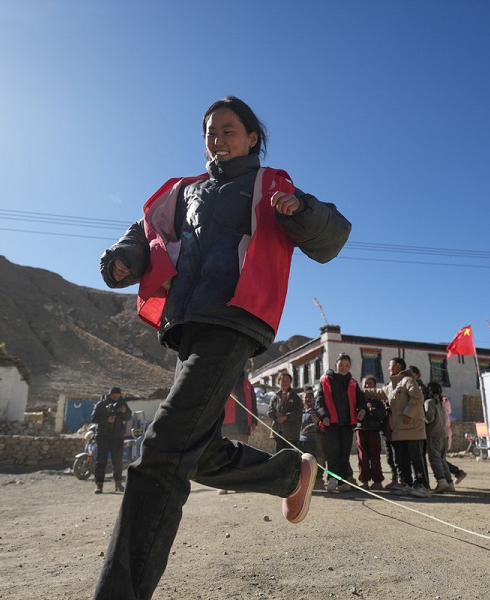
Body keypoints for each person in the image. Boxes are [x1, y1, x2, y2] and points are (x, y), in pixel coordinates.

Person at [95, 96, 351, 599]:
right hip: (189, 326)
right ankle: (287, 472)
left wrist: (300, 211)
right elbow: (145, 233)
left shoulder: (269, 183)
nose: (218, 138)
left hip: (235, 319)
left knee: (162, 453)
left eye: (229, 129)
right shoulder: (183, 192)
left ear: (252, 136)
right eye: (210, 131)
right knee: (197, 448)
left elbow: (332, 236)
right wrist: (123, 260)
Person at [364, 358, 430, 498]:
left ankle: (422, 486)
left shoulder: (408, 381)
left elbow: (418, 398)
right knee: (403, 459)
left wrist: (408, 415)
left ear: (398, 366)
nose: (388, 368)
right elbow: (376, 393)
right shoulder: (391, 386)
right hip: (399, 431)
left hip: (412, 429)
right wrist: (360, 391)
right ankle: (406, 484)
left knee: (416, 459)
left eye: (390, 365)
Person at [314, 353, 365, 492]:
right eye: (341, 365)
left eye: (347, 366)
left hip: (347, 423)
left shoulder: (353, 383)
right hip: (332, 423)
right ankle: (331, 479)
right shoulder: (325, 380)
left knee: (344, 452)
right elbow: (319, 402)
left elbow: (361, 400)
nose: (344, 368)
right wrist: (324, 415)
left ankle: (342, 482)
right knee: (333, 452)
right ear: (335, 364)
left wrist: (362, 409)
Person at [217, 373, 257, 495]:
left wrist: (254, 421)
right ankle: (223, 485)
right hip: (227, 423)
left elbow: (253, 403)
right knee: (225, 455)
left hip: (244, 425)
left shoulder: (248, 385)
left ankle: (239, 484)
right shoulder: (225, 382)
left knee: (242, 455)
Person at [91, 386, 132, 494]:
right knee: (101, 461)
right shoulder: (101, 404)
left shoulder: (122, 404)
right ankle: (99, 485)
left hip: (117, 437)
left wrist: (124, 412)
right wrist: (106, 420)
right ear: (110, 395)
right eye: (113, 396)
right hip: (103, 436)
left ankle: (118, 484)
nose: (115, 398)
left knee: (118, 461)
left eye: (117, 396)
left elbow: (128, 417)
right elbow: (93, 418)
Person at [355, 376, 388, 490]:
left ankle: (377, 481)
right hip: (360, 429)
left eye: (371, 384)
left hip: (374, 430)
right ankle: (364, 481)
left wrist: (372, 410)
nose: (368, 386)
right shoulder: (358, 399)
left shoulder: (378, 400)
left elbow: (382, 415)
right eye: (366, 384)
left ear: (375, 386)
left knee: (375, 456)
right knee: (362, 456)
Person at [423, 382, 455, 493]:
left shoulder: (429, 402)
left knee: (434, 459)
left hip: (433, 435)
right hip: (443, 435)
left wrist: (420, 418)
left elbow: (429, 418)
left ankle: (441, 481)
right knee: (442, 460)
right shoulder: (441, 403)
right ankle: (449, 482)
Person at [297, 388, 326, 490]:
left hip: (315, 441)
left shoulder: (314, 412)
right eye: (306, 397)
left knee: (318, 460)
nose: (308, 399)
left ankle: (318, 479)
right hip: (303, 441)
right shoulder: (302, 412)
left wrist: (309, 428)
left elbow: (318, 423)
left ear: (314, 400)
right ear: (302, 400)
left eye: (310, 397)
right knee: (305, 461)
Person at [268, 372, 302, 453]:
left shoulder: (295, 397)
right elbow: (270, 411)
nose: (285, 383)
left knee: (289, 455)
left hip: (291, 432)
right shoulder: (275, 397)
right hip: (278, 432)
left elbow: (298, 412)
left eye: (287, 381)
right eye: (282, 380)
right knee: (279, 455)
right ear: (278, 382)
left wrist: (286, 417)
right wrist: (275, 414)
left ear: (290, 382)